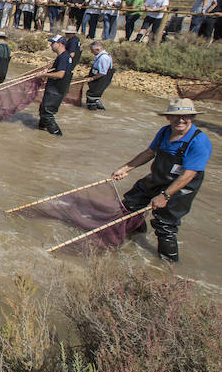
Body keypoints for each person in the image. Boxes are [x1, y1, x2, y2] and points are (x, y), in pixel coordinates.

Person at [113, 98, 212, 262]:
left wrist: (165, 196)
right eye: (176, 116)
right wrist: (126, 168)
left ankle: (167, 267)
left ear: (192, 117)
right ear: (168, 117)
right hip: (160, 176)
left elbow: (188, 174)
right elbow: (149, 153)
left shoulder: (199, 142)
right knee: (130, 204)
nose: (180, 120)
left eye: (186, 116)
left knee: (165, 224)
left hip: (182, 185)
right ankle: (135, 238)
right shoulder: (164, 132)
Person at [38, 34, 73, 136]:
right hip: (55, 89)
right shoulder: (63, 56)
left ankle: (57, 136)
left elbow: (60, 74)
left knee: (47, 114)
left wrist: (44, 74)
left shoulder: (64, 57)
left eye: (53, 43)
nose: (51, 45)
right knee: (43, 110)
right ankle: (40, 136)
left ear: (60, 44)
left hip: (56, 91)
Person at [84, 41, 114, 110]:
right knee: (94, 95)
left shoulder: (104, 58)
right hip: (97, 78)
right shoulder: (100, 56)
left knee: (92, 96)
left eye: (92, 51)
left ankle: (92, 113)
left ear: (97, 49)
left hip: (101, 80)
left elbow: (103, 73)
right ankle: (99, 111)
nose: (91, 52)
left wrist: (92, 78)